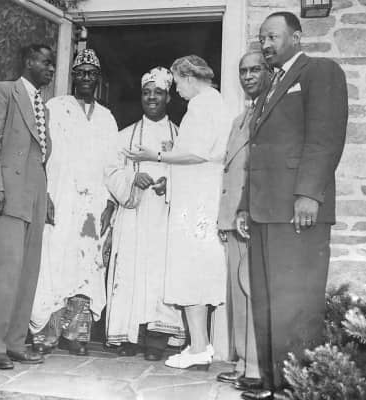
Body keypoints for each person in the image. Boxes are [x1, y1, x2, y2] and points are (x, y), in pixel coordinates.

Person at [236, 12, 348, 400]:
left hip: (298, 210)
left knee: (297, 303)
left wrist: (309, 195)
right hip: (265, 211)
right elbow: (259, 152)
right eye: (262, 38)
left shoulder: (319, 72)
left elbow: (325, 137)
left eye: (273, 36)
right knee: (268, 302)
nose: (266, 44)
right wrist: (244, 205)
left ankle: (298, 389)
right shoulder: (270, 85)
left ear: (296, 37)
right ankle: (273, 384)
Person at [124, 55, 232, 370]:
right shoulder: (214, 103)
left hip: (196, 204)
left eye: (177, 83)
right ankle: (200, 345)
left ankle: (199, 346)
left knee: (190, 270)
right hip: (199, 198)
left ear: (188, 78)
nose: (177, 91)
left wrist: (156, 155)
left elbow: (197, 154)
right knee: (194, 271)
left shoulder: (202, 106)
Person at [29, 49, 118, 356]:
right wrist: (45, 195)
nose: (86, 78)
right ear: (73, 76)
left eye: (91, 73)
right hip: (60, 197)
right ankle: (48, 334)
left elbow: (113, 165)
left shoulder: (106, 118)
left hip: (93, 207)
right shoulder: (55, 108)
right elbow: (41, 155)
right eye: (80, 72)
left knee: (86, 263)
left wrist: (110, 203)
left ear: (98, 78)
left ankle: (77, 336)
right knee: (54, 261)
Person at [0, 44, 55, 369]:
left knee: (28, 272)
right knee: (5, 271)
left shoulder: (43, 107)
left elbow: (40, 158)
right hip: (8, 193)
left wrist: (45, 197)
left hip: (34, 196)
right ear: (28, 61)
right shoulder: (4, 91)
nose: (51, 69)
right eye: (46, 62)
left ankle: (15, 342)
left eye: (52, 64)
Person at [104, 67, 185, 361]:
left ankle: (157, 339)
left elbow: (192, 173)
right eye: (147, 92)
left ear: (168, 97)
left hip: (164, 215)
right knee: (131, 271)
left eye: (158, 92)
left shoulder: (181, 137)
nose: (152, 97)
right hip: (133, 215)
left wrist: (170, 184)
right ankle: (130, 335)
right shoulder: (125, 136)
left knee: (160, 274)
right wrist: (131, 179)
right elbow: (111, 172)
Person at [216, 51, 270, 392]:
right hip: (233, 218)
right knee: (237, 292)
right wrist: (225, 216)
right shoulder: (240, 118)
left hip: (251, 215)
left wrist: (245, 209)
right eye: (243, 71)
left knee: (250, 289)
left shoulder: (270, 113)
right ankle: (242, 361)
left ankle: (255, 366)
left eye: (255, 69)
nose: (248, 76)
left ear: (269, 72)